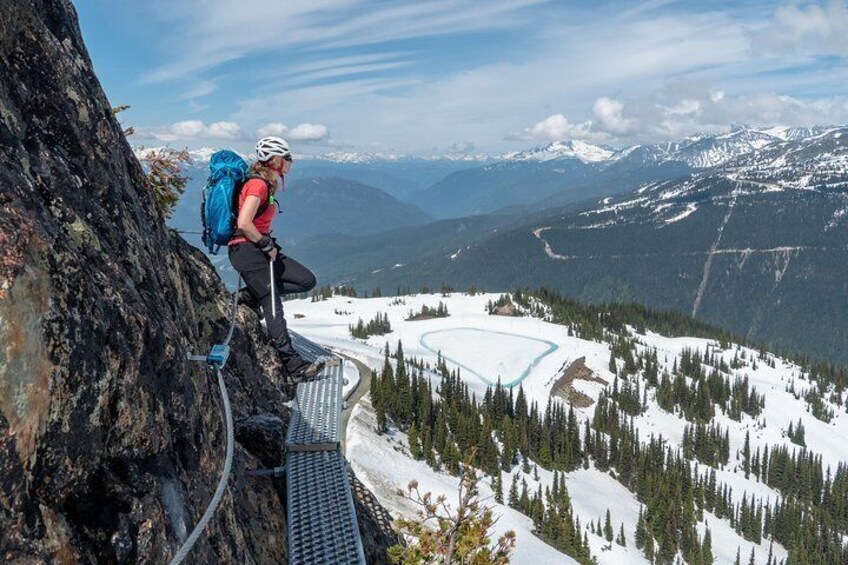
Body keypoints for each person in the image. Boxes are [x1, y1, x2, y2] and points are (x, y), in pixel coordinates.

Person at [227, 136, 324, 386]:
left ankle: (250, 296)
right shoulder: (258, 185)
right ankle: (294, 366)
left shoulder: (266, 184)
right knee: (273, 306)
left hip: (259, 248)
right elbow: (244, 223)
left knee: (306, 280)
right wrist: (264, 243)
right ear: (276, 160)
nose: (291, 161)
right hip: (248, 250)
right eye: (288, 157)